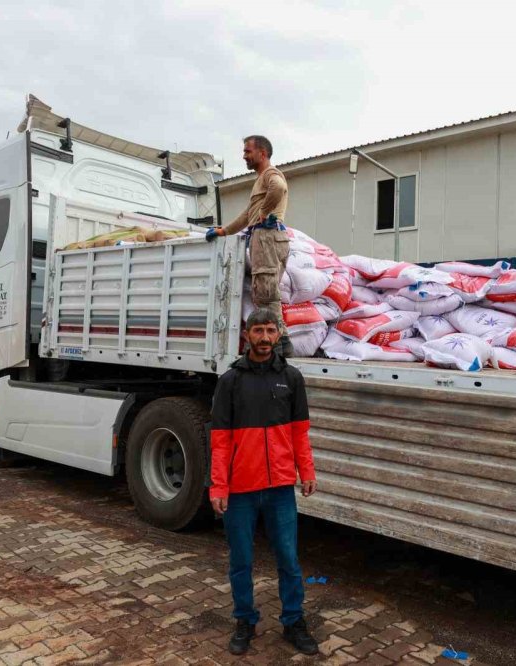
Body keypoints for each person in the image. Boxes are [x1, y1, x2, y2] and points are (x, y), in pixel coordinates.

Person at [209, 308, 318, 656]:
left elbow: (300, 433)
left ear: (278, 335)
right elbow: (221, 440)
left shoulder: (292, 377)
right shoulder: (230, 382)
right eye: (258, 330)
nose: (265, 337)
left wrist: (307, 471)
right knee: (241, 559)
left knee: (288, 558)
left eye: (271, 330)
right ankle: (244, 620)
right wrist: (218, 486)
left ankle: (293, 621)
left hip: (280, 489)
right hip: (240, 489)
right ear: (247, 335)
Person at [209, 135, 294, 357]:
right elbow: (248, 215)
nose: (244, 155)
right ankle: (280, 341)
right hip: (266, 238)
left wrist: (265, 212)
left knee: (265, 294)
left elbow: (279, 188)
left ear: (262, 153)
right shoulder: (260, 179)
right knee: (264, 292)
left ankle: (277, 345)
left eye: (248, 151)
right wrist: (224, 231)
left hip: (267, 237)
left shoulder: (270, 175)